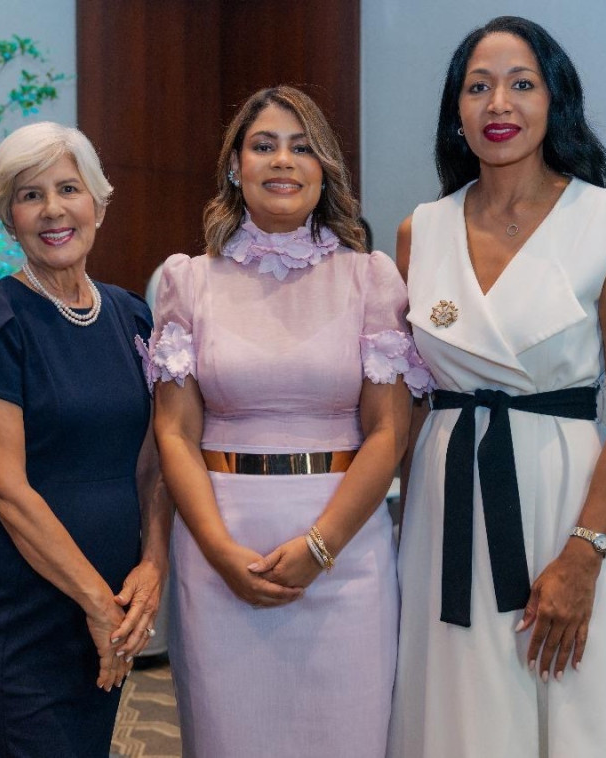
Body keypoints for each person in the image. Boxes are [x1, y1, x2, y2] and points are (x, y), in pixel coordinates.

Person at [387, 16, 606, 757]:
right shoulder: (420, 231)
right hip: (447, 510)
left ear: (556, 100)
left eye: (522, 84)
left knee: (578, 705)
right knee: (459, 708)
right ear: (456, 111)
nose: (499, 104)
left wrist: (586, 552)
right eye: (478, 87)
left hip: (567, 504)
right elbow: (410, 399)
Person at [138, 85, 432, 757]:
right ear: (234, 166)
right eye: (263, 145)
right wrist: (217, 550)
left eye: (302, 148)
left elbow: (388, 433)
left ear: (324, 167)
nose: (282, 161)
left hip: (344, 553)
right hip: (219, 549)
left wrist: (321, 547)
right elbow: (175, 433)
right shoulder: (189, 280)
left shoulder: (370, 278)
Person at [0, 122, 170, 757]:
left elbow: (153, 464)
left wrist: (153, 563)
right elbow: (1, 488)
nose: (52, 209)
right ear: (8, 219)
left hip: (108, 604)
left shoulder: (132, 316)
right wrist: (98, 604)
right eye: (29, 195)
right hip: (14, 609)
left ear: (97, 202)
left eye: (68, 188)